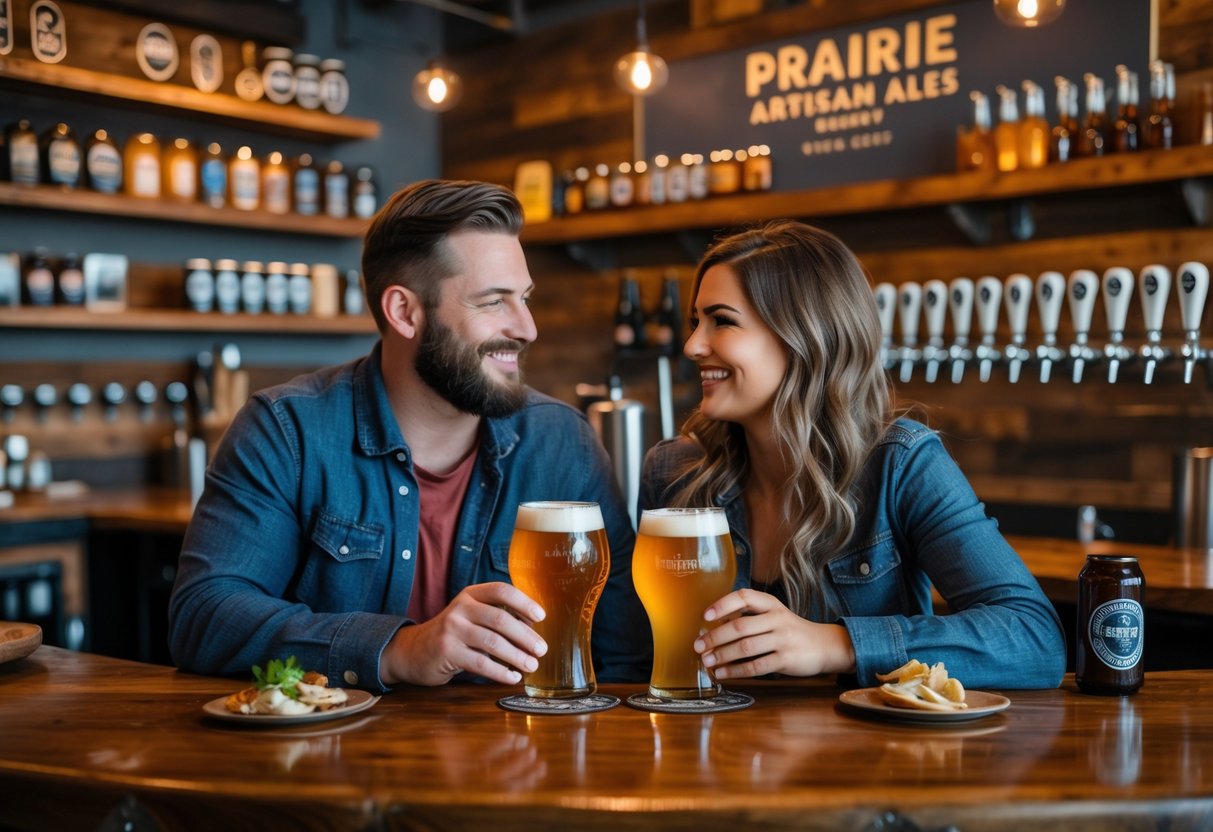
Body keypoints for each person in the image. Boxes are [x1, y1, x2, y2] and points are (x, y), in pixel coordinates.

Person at [169, 179, 650, 691]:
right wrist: (397, 649)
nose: (527, 328)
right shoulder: (287, 431)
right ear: (404, 312)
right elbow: (204, 617)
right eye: (493, 302)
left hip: (519, 740)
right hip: (336, 742)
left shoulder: (563, 443)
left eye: (525, 298)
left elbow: (624, 659)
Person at [639, 220, 1065, 690]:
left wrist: (835, 645)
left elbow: (1035, 638)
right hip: (712, 738)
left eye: (721, 321)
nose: (692, 346)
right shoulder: (674, 471)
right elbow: (637, 661)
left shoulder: (901, 464)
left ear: (804, 336)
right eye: (695, 322)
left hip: (865, 740)